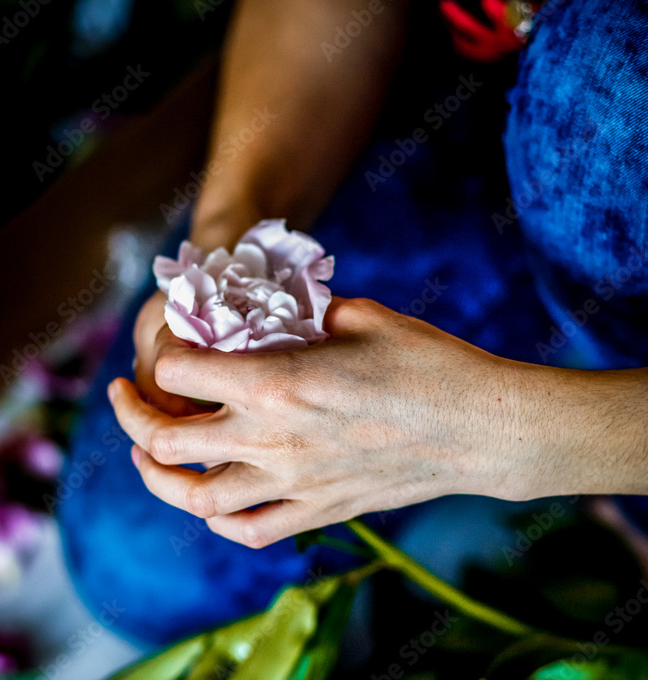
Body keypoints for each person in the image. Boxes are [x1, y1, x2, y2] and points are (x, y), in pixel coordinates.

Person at [60, 0, 648, 644]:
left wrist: (494, 436)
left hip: (610, 164)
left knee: (614, 63)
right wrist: (234, 250)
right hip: (457, 95)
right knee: (142, 560)